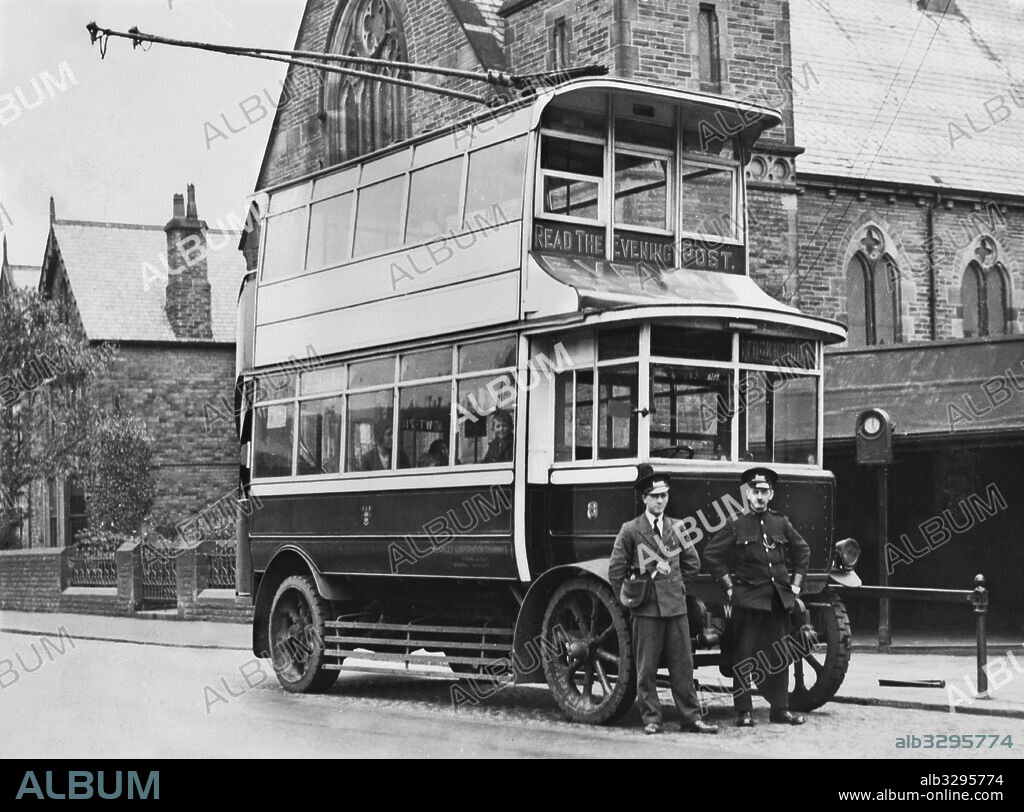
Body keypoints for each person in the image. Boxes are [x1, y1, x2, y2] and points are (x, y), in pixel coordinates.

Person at [608, 464, 719, 735]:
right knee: (646, 668)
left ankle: (691, 718)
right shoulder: (631, 530)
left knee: (683, 665)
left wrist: (679, 589)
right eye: (655, 496)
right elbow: (615, 572)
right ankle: (651, 718)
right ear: (644, 498)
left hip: (676, 608)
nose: (660, 501)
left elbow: (692, 564)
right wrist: (630, 599)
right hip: (645, 609)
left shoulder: (678, 528)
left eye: (664, 496)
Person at [703, 466, 810, 727]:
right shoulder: (736, 524)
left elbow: (803, 551)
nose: (759, 497)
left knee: (780, 654)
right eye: (754, 492)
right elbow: (711, 555)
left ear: (771, 494)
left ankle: (780, 709)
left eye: (764, 491)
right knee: (744, 655)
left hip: (777, 600)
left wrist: (795, 586)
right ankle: (744, 711)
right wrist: (729, 585)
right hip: (748, 600)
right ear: (747, 495)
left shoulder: (781, 522)